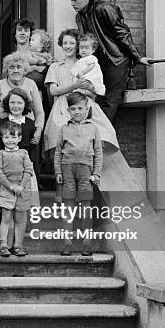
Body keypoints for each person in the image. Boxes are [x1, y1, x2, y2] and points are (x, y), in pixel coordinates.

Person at [64, 0, 151, 122]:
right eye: (71, 1)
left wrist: (137, 57)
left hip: (117, 60)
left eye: (75, 0)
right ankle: (95, 135)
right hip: (98, 62)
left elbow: (122, 33)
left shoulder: (104, 9)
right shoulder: (79, 16)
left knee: (109, 101)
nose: (72, 4)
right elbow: (88, 40)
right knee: (97, 98)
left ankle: (101, 137)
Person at [43, 29, 118, 156]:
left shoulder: (87, 64)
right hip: (63, 106)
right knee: (62, 135)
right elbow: (53, 91)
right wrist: (74, 85)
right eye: (65, 43)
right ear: (61, 44)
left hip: (84, 103)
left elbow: (95, 92)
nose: (68, 46)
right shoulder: (55, 67)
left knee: (99, 132)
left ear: (78, 45)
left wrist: (89, 88)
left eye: (72, 43)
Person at [54, 92, 103, 256]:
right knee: (68, 207)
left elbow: (98, 152)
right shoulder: (63, 129)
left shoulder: (93, 128)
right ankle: (67, 243)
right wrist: (58, 172)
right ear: (68, 110)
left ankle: (86, 243)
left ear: (86, 109)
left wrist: (96, 173)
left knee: (85, 208)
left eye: (80, 108)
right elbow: (58, 152)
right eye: (73, 108)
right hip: (67, 170)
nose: (77, 112)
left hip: (86, 172)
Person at [0, 122, 34, 257]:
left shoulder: (24, 153)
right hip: (7, 189)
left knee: (20, 219)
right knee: (5, 218)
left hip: (22, 190)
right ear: (2, 139)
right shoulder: (1, 154)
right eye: (6, 137)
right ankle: (3, 245)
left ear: (19, 138)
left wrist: (21, 185)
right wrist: (10, 186)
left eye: (13, 137)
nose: (10, 140)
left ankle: (18, 245)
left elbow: (28, 170)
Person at [71, 33, 105, 97]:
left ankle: (86, 92)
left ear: (93, 50)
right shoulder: (80, 60)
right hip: (84, 79)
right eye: (81, 48)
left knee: (89, 86)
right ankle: (83, 92)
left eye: (86, 48)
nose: (83, 50)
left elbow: (92, 65)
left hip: (92, 78)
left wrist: (83, 72)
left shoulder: (91, 57)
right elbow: (76, 68)